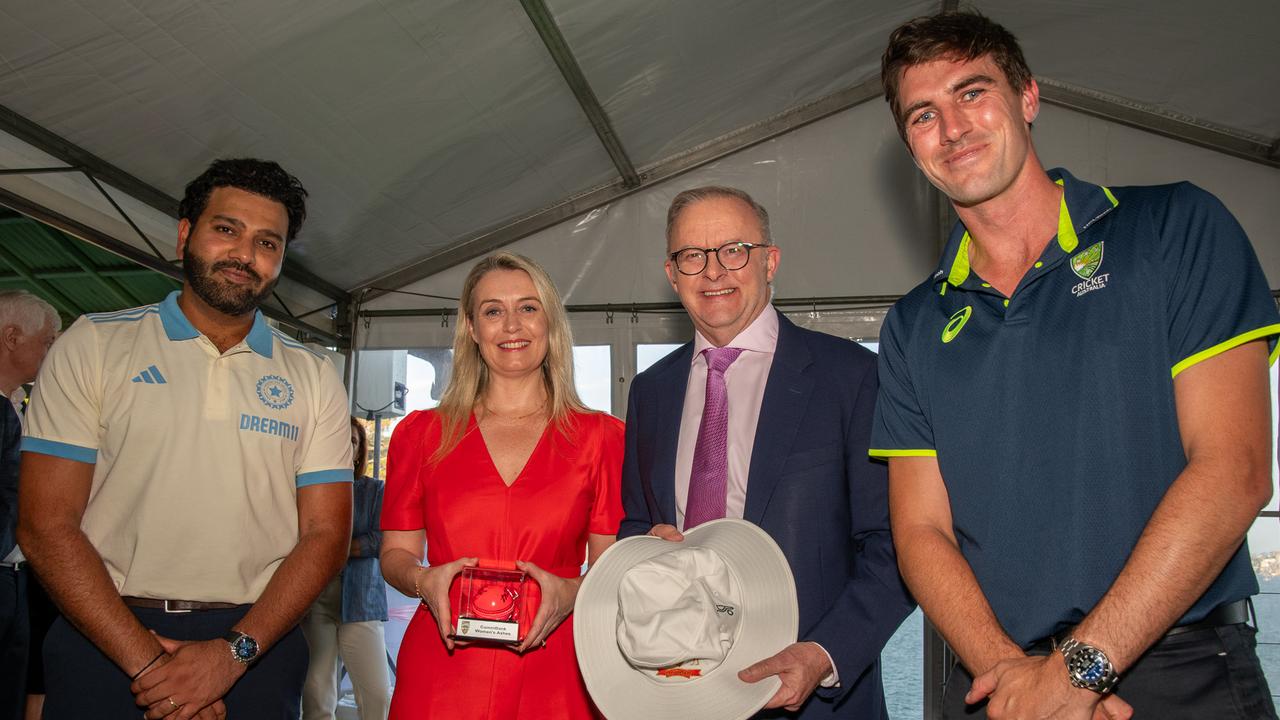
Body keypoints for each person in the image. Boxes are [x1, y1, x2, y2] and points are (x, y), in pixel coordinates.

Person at [872, 12, 1280, 720]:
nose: (952, 127)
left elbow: (1235, 469)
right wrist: (1014, 677)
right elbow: (920, 534)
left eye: (973, 92)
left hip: (1180, 674)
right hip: (999, 687)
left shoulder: (1176, 229)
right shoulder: (913, 325)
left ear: (1029, 97)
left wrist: (1076, 675)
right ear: (910, 145)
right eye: (923, 114)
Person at [17, 158, 354, 720]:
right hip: (103, 638)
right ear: (184, 235)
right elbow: (45, 525)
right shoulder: (94, 345)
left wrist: (231, 656)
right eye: (227, 230)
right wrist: (152, 668)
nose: (245, 255)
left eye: (267, 242)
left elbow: (325, 535)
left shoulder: (314, 374)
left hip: (257, 648)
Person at [618, 186, 914, 719]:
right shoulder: (651, 392)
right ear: (671, 274)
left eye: (734, 250)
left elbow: (897, 546)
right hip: (681, 689)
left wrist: (823, 655)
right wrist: (646, 547)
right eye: (692, 256)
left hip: (817, 702)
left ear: (770, 261)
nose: (713, 272)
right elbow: (636, 524)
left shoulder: (850, 378)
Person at [379, 252, 624, 719]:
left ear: (550, 322)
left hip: (559, 667)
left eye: (528, 308)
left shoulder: (603, 438)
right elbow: (395, 554)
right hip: (443, 668)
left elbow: (611, 566)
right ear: (472, 329)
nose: (512, 325)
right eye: (493, 310)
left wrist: (572, 592)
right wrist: (421, 579)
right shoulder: (419, 435)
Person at [301, 417, 392, 720]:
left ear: (358, 451)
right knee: (316, 693)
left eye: (352, 441)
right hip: (316, 601)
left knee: (377, 694)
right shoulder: (309, 493)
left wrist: (334, 549)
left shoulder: (376, 491)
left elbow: (382, 540)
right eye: (338, 440)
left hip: (361, 603)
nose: (345, 447)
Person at [0, 290, 59, 720]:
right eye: (48, 341)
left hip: (19, 577)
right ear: (12, 336)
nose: (52, 352)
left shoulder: (22, 404)